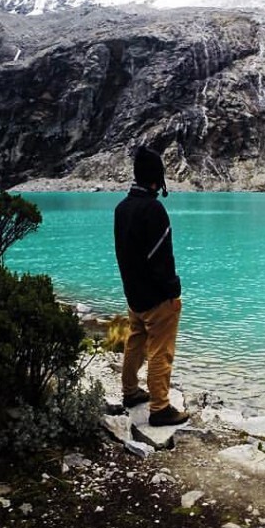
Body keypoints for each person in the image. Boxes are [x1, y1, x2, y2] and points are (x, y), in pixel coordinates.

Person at [113, 145, 190, 426]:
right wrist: (173, 291)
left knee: (135, 340)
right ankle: (160, 408)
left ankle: (130, 391)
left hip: (133, 294)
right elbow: (161, 258)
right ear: (157, 179)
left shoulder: (122, 208)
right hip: (156, 297)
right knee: (161, 350)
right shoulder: (154, 210)